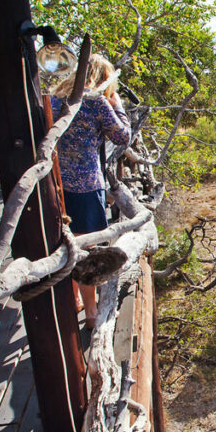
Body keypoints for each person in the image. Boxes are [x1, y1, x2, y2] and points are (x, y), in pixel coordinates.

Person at [50, 54, 131, 328]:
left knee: (66, 244)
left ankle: (74, 301)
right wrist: (118, 106)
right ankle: (93, 313)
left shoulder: (54, 99)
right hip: (85, 185)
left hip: (55, 185)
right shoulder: (95, 102)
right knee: (87, 248)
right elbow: (122, 136)